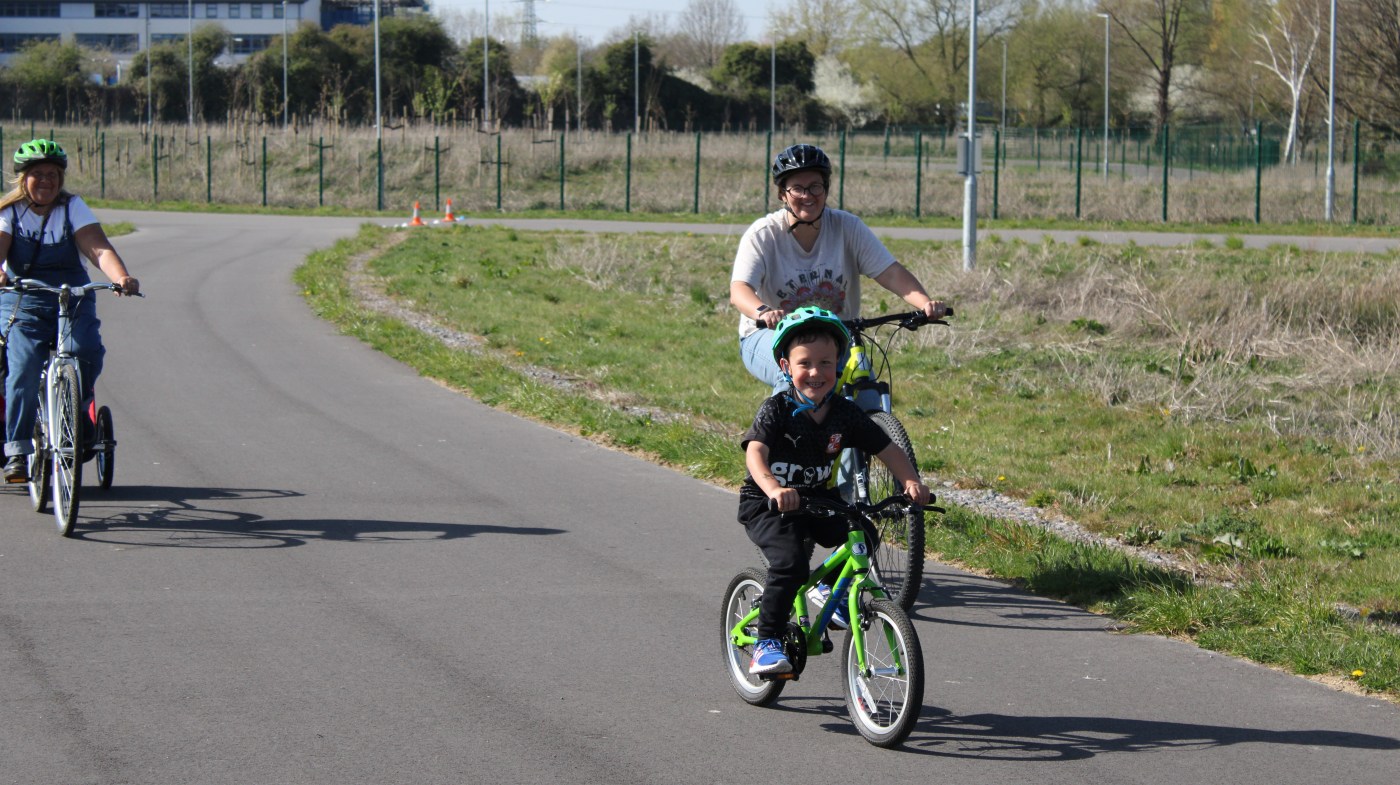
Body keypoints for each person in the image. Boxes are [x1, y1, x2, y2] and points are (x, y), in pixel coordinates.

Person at [738, 307, 930, 675]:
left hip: (818, 501)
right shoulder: (777, 409)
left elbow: (887, 449)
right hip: (768, 504)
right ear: (785, 366)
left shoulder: (844, 412)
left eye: (826, 363)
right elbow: (755, 454)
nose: (815, 372)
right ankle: (766, 641)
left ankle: (829, 591)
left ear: (839, 365)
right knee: (791, 563)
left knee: (864, 537)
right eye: (804, 363)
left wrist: (910, 482)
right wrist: (775, 488)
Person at [730, 143, 948, 393]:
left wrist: (925, 304)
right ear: (782, 194)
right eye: (797, 188)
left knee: (865, 386)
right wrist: (763, 312)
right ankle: (778, 432)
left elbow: (890, 272)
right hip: (770, 335)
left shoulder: (848, 228)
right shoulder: (764, 234)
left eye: (815, 186)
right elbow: (740, 289)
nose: (808, 195)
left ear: (826, 188)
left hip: (834, 334)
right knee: (794, 376)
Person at [0, 139, 140, 483]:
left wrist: (121, 277)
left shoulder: (72, 207)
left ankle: (77, 410)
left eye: (52, 174)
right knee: (23, 366)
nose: (45, 180)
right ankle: (17, 451)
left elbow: (98, 249)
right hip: (23, 299)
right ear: (23, 179)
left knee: (85, 350)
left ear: (60, 179)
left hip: (71, 296)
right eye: (37, 174)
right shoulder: (9, 212)